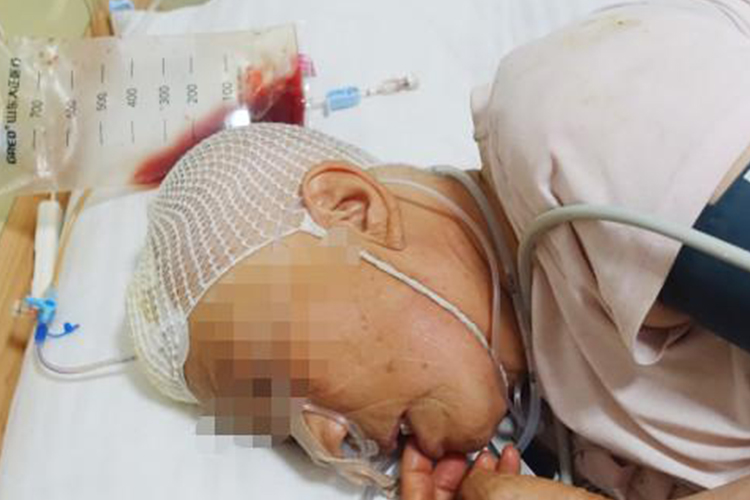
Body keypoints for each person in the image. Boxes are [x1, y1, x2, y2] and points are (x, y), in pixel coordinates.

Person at [125, 0, 750, 498]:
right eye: (284, 434)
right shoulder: (562, 423)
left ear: (350, 208)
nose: (325, 440)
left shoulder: (570, 131)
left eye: (274, 376)